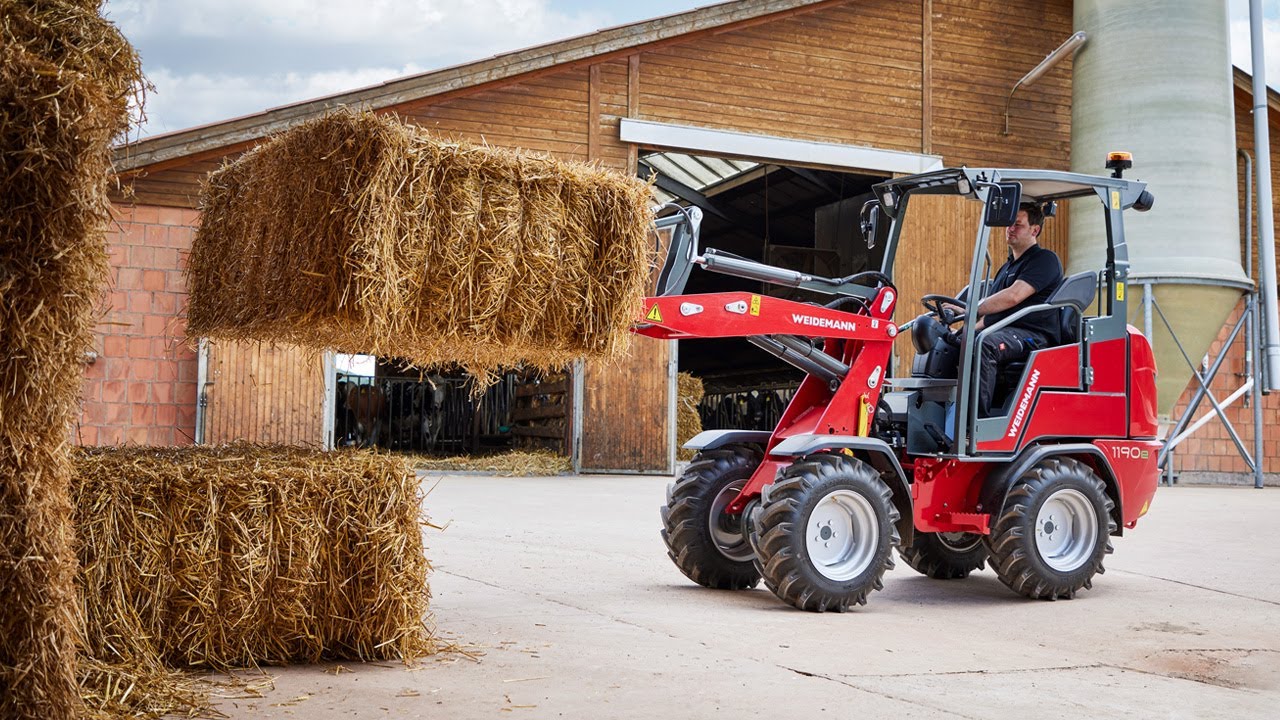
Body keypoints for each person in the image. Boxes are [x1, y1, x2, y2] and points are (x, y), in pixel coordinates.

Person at [945, 202, 1063, 416]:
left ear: (1034, 230)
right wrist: (962, 330)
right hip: (1008, 331)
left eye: (1018, 224)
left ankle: (974, 427)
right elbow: (993, 313)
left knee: (984, 344)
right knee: (952, 342)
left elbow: (1012, 297)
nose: (1010, 228)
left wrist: (968, 311)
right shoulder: (1007, 267)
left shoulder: (1044, 260)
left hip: (1035, 336)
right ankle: (944, 419)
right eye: (1009, 224)